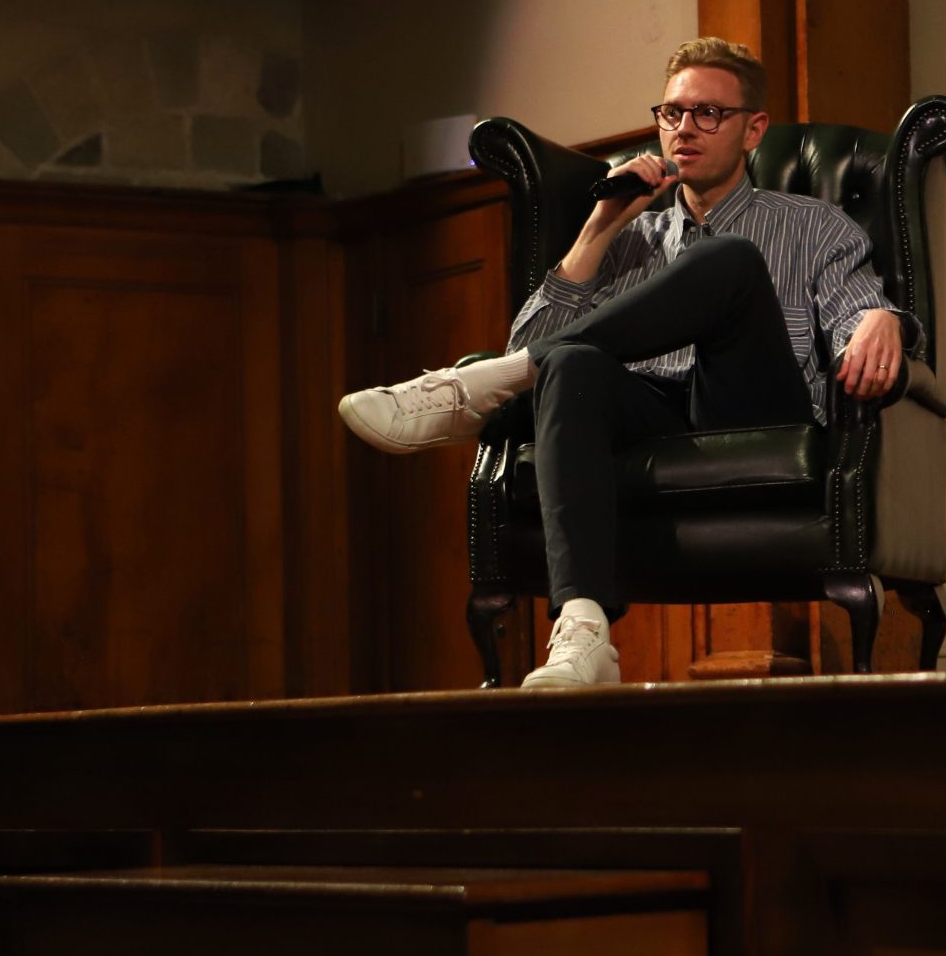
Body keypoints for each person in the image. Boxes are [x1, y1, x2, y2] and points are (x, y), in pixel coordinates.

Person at [337, 37, 915, 686]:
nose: (683, 129)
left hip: (750, 409)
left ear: (753, 128)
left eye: (707, 113)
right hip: (648, 412)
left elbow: (857, 314)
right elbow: (543, 337)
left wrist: (882, 317)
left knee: (727, 259)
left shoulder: (814, 224)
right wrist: (599, 226)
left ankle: (473, 391)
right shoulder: (632, 236)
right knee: (570, 367)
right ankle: (583, 634)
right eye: (671, 113)